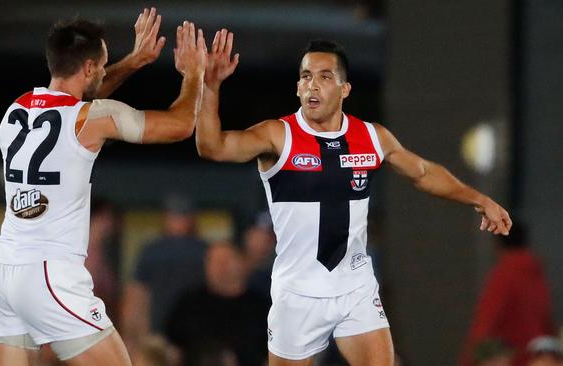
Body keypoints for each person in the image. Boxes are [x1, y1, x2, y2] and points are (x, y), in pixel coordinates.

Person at [195, 31, 512, 366]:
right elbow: (211, 147)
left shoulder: (371, 136)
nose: (312, 85)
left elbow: (422, 172)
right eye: (305, 77)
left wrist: (480, 199)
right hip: (298, 293)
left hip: (354, 287)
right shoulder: (277, 135)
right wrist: (210, 87)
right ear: (298, 87)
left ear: (344, 89)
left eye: (324, 77)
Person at [0, 8, 207, 366]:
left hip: (1, 274)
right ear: (87, 68)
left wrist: (133, 62)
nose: (105, 70)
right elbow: (180, 124)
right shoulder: (91, 118)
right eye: (102, 65)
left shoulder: (15, 111)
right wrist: (195, 74)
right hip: (48, 274)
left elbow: (78, 101)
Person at [460, 224, 554, 366]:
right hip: (535, 357)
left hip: (510, 358)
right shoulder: (535, 273)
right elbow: (546, 322)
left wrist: (467, 361)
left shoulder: (505, 274)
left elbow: (485, 323)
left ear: (498, 244)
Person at [121, 194, 207, 346]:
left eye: (181, 215)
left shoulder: (204, 251)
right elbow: (136, 296)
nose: (178, 220)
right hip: (165, 335)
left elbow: (135, 297)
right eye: (175, 215)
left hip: (192, 333)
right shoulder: (152, 251)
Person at [165, 242, 269, 366]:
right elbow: (172, 350)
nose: (219, 267)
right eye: (212, 261)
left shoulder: (261, 307)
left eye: (225, 261)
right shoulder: (188, 303)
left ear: (243, 264)